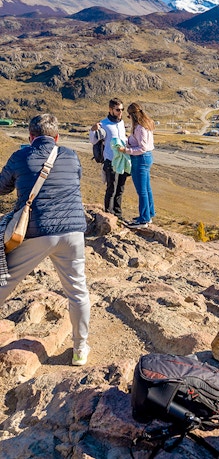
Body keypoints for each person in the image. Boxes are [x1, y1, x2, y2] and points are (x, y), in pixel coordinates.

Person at [0, 114, 91, 366]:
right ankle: (80, 349)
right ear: (57, 137)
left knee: (4, 280)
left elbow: (2, 187)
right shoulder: (71, 155)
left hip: (36, 232)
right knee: (77, 291)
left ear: (30, 137)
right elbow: (75, 179)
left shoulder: (20, 157)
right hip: (73, 231)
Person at [89, 97, 128, 219]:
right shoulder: (103, 124)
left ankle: (118, 214)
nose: (120, 112)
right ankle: (109, 215)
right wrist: (92, 130)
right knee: (112, 188)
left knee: (120, 189)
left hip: (122, 160)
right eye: (117, 110)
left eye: (122, 109)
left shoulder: (121, 123)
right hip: (110, 161)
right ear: (110, 109)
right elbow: (93, 140)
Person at [118, 102, 155, 228]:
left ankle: (143, 219)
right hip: (146, 158)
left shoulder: (140, 128)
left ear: (133, 115)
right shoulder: (147, 125)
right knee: (147, 188)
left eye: (128, 116)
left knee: (142, 190)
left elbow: (142, 148)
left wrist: (126, 150)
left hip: (140, 159)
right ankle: (149, 214)